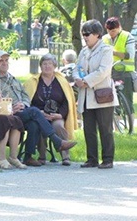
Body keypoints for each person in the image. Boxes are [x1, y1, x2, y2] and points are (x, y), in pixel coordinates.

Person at [0, 50, 77, 167]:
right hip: (11, 113)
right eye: (1, 61)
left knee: (35, 123)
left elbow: (25, 96)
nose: (4, 63)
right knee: (35, 112)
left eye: (6, 61)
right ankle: (57, 142)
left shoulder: (12, 79)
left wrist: (23, 104)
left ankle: (28, 157)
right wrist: (12, 107)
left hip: (44, 114)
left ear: (55, 66)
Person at [74, 19, 117, 169]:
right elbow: (76, 68)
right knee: (89, 128)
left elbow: (103, 71)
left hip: (102, 95)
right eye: (83, 34)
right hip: (86, 96)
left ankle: (107, 159)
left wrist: (85, 81)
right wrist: (77, 79)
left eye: (87, 34)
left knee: (105, 128)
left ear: (97, 34)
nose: (85, 37)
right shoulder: (83, 51)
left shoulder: (106, 50)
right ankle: (91, 158)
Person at [24, 53, 79, 166]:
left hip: (57, 115)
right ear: (41, 66)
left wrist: (60, 115)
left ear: (54, 66)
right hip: (39, 114)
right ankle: (42, 156)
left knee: (58, 125)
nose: (47, 66)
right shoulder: (33, 82)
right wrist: (39, 113)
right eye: (44, 64)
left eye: (50, 64)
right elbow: (27, 101)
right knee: (39, 124)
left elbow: (66, 102)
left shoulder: (62, 82)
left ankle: (65, 156)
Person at [103, 17, 134, 117]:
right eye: (108, 30)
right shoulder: (104, 38)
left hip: (125, 72)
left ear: (119, 27)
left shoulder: (127, 36)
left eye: (113, 30)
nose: (111, 33)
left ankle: (130, 124)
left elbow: (129, 55)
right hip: (109, 72)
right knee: (113, 102)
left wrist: (113, 52)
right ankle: (118, 126)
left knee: (128, 101)